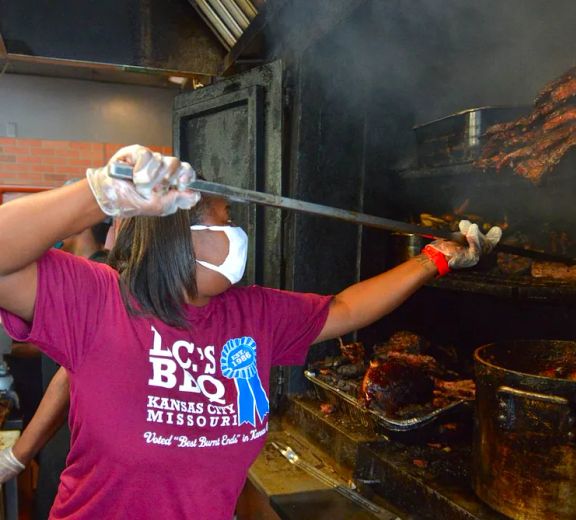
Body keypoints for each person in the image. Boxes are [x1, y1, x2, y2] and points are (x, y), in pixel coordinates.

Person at [0, 145, 501, 519]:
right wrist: (100, 194)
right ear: (181, 234)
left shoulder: (254, 314)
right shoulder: (99, 299)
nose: (239, 235)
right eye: (227, 221)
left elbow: (345, 307)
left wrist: (435, 259)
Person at [0, 217, 112, 519]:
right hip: (60, 426)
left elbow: (67, 374)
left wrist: (18, 455)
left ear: (83, 225)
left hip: (71, 430)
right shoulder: (74, 273)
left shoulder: (99, 277)